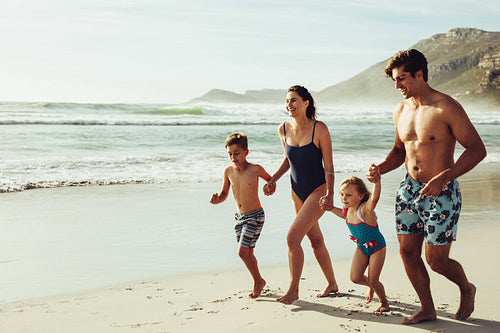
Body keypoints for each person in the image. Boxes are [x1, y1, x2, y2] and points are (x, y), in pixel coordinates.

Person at [366, 49, 486, 324]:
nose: (397, 86)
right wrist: (380, 169)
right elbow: (399, 151)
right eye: (395, 81)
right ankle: (427, 308)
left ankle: (466, 288)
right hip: (408, 190)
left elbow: (477, 150)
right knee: (408, 253)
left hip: (442, 193)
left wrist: (445, 176)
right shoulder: (401, 110)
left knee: (436, 261)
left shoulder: (446, 107)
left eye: (402, 79)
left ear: (419, 74)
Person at [263, 85, 338, 304]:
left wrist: (330, 193)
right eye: (287, 101)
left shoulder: (319, 129)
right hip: (297, 191)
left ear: (306, 103)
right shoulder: (283, 129)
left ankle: (293, 289)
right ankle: (332, 283)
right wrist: (273, 179)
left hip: (318, 190)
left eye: (294, 100)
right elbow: (289, 159)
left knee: (292, 238)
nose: (289, 105)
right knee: (315, 240)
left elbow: (329, 165)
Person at [210, 132, 272, 298]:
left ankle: (258, 281)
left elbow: (270, 180)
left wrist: (269, 188)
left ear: (246, 152)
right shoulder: (228, 171)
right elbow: (224, 193)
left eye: (236, 153)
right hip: (240, 218)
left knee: (242, 252)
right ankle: (259, 281)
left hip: (255, 216)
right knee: (249, 253)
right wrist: (217, 200)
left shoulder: (255, 169)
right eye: (229, 154)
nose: (233, 157)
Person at [328, 172, 389, 312]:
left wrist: (377, 182)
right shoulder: (347, 210)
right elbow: (343, 215)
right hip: (362, 247)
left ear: (361, 196)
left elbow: (375, 199)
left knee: (374, 279)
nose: (344, 198)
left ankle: (383, 301)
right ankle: (370, 286)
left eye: (349, 195)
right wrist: (330, 209)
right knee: (355, 277)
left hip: (377, 247)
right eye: (342, 194)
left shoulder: (365, 210)